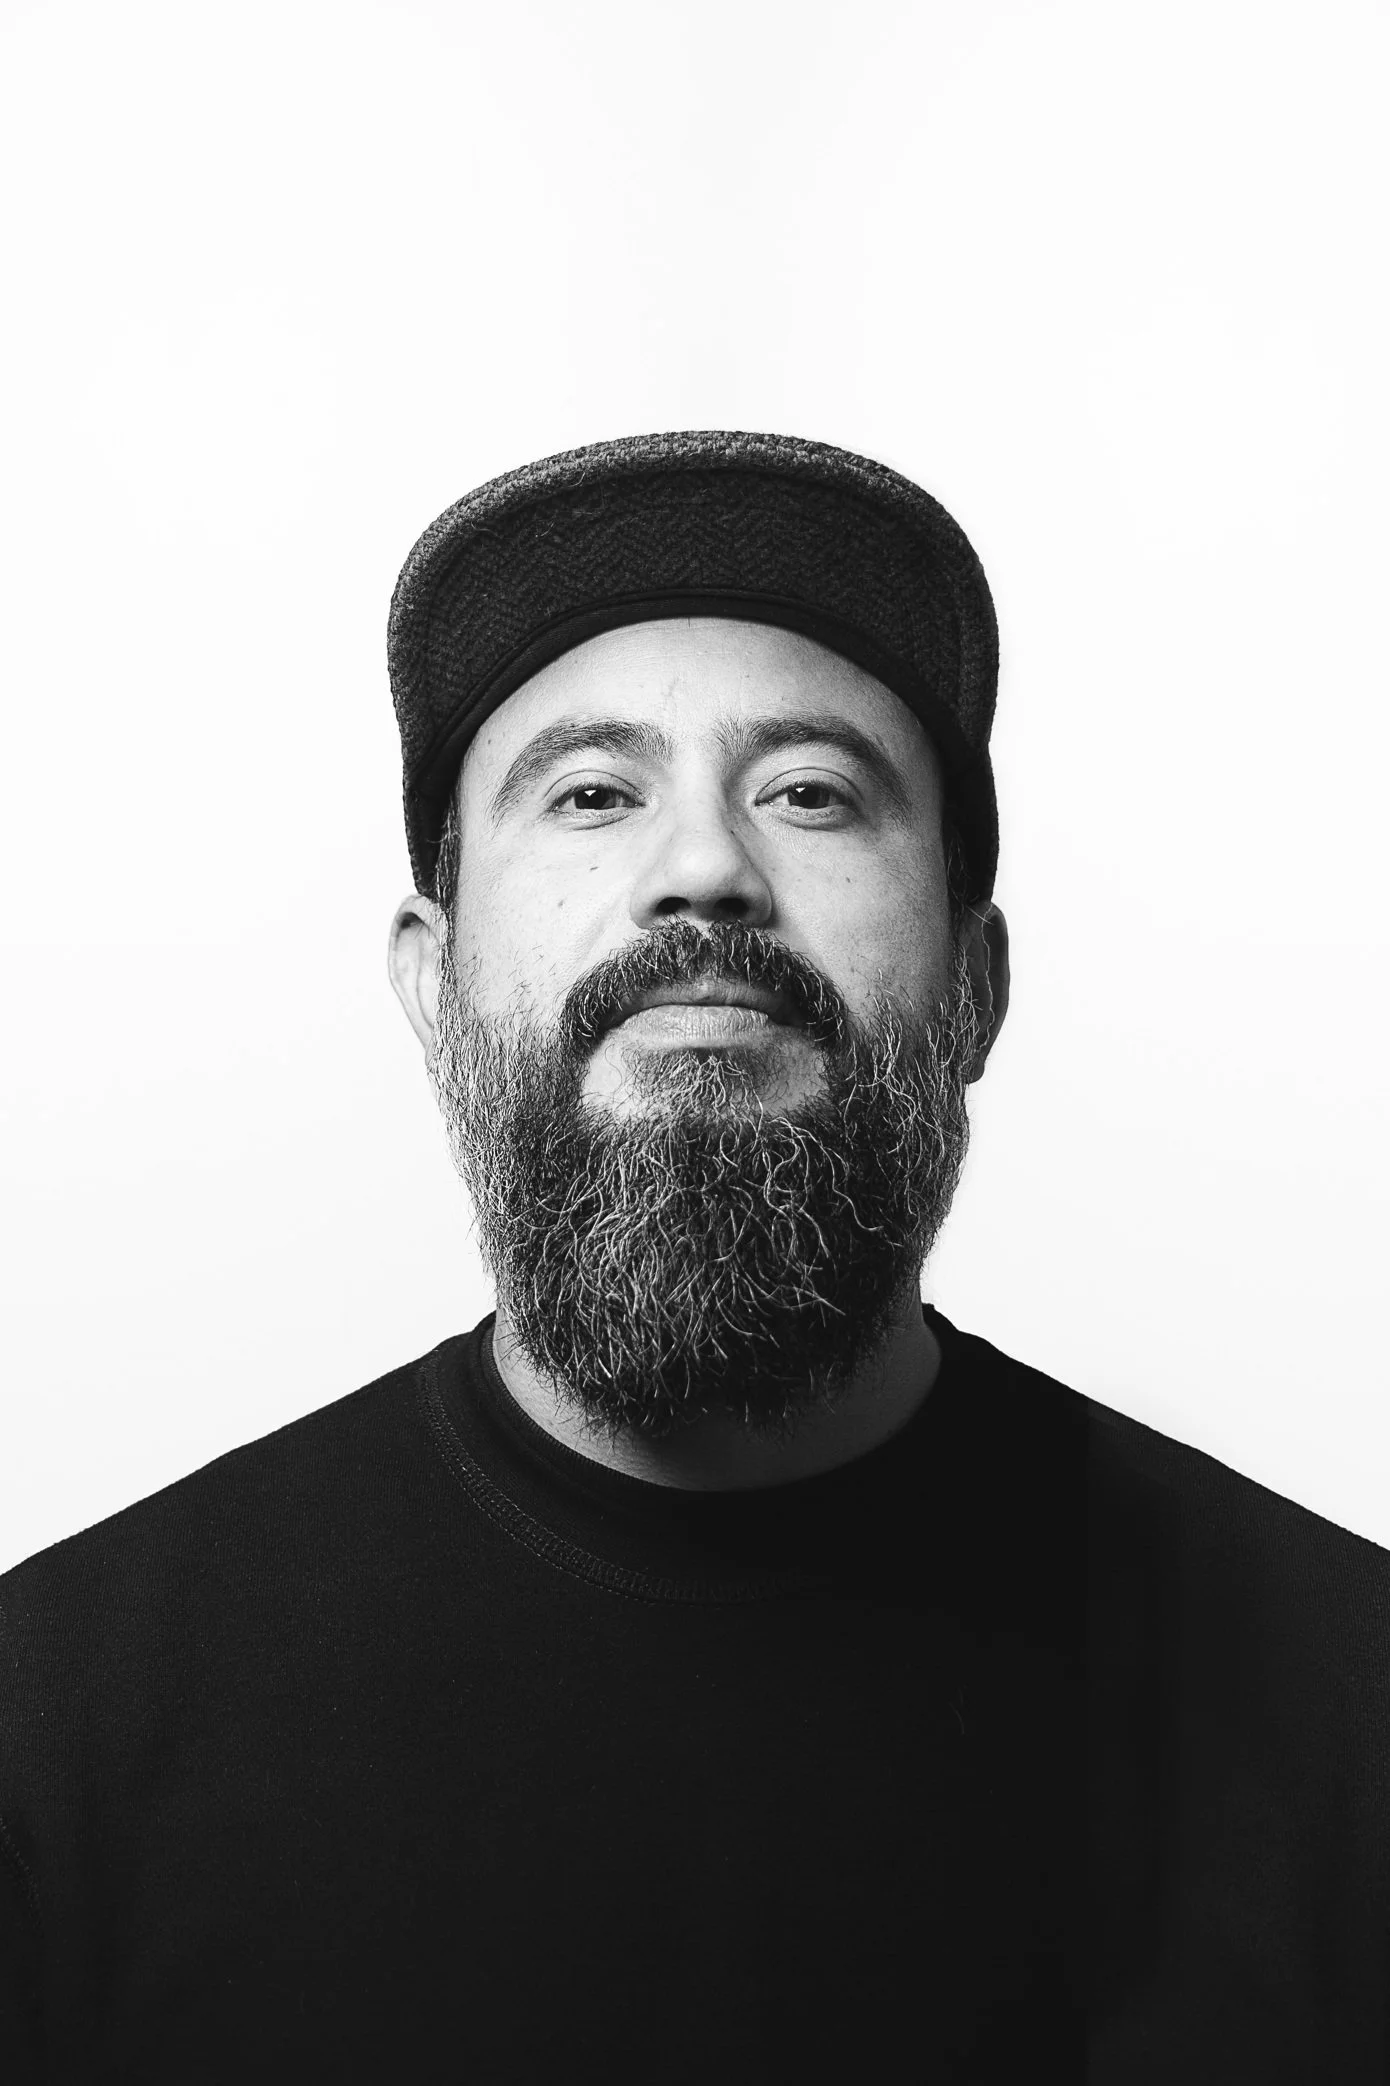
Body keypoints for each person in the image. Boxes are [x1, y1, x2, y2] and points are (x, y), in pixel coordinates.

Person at [1, 431, 1385, 2082]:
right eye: (591, 792)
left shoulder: (1346, 1717)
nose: (706, 869)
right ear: (434, 983)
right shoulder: (49, 1743)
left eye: (810, 791)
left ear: (975, 987)